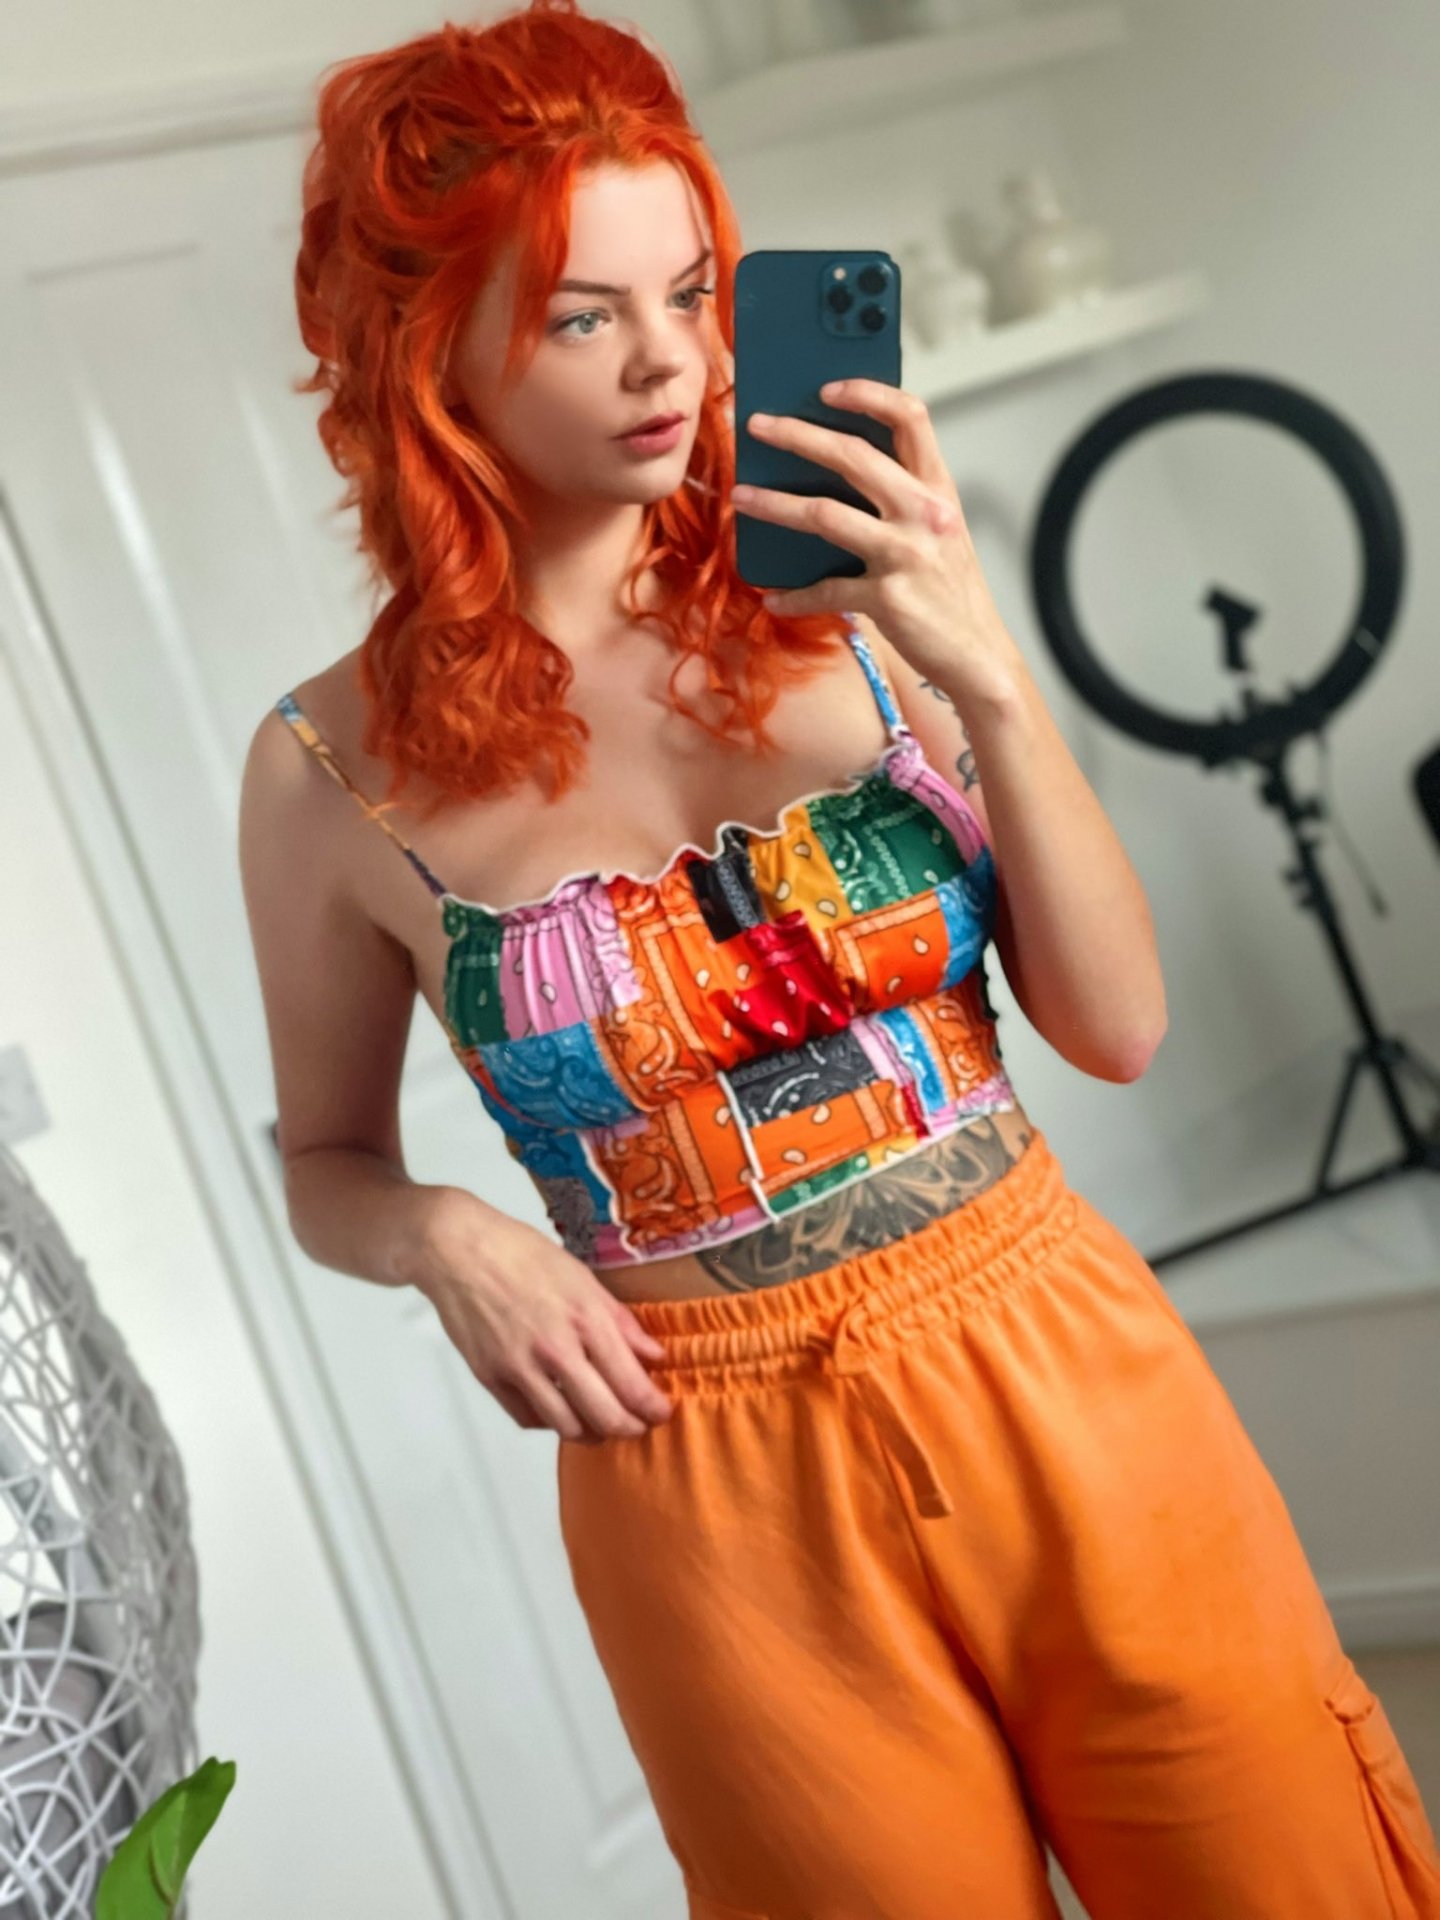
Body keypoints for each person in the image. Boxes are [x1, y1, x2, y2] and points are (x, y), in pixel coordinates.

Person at [237, 4, 1440, 1915]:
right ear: (426, 348)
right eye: (584, 316)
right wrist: (443, 1236)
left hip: (1053, 1358)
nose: (671, 362)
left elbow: (1118, 1026)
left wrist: (985, 672)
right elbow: (324, 1164)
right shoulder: (324, 774)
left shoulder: (852, 605)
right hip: (705, 1485)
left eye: (692, 293)